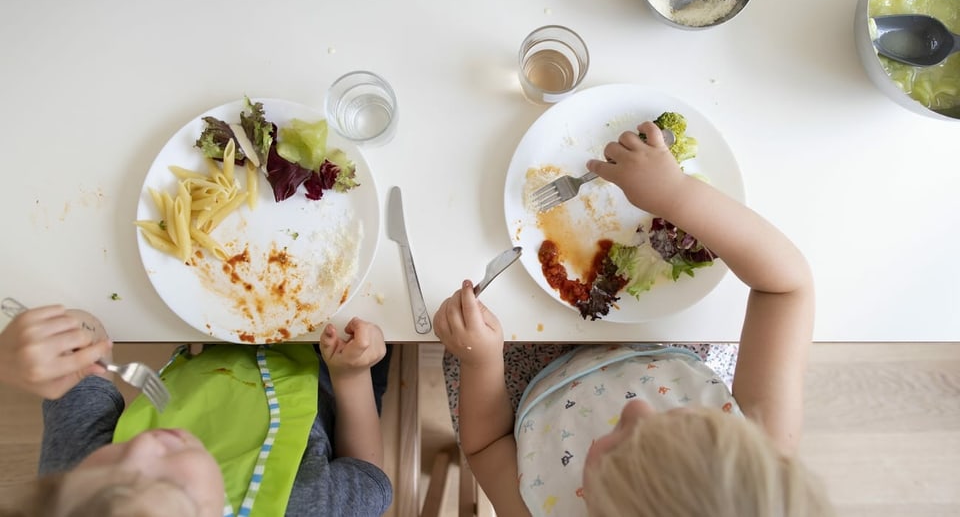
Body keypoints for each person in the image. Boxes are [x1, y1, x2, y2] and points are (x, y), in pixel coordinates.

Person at [433, 122, 834, 517]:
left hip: (527, 386)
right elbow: (788, 288)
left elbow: (487, 446)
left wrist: (481, 361)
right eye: (675, 418)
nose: (635, 410)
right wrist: (677, 195)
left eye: (616, 442)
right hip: (660, 351)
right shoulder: (760, 451)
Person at [0, 305, 393, 517]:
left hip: (217, 332)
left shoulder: (75, 489)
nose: (142, 447)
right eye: (168, 485)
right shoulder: (307, 507)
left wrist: (47, 345)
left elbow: (89, 340)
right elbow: (368, 471)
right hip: (341, 359)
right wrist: (352, 374)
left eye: (111, 462)